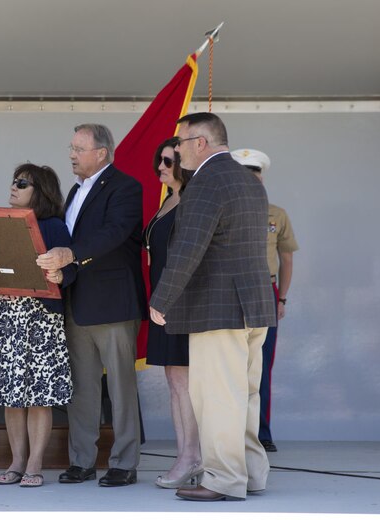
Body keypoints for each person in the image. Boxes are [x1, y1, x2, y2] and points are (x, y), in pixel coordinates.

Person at [149, 112, 276, 501]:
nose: (177, 150)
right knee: (246, 397)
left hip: (218, 309)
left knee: (219, 398)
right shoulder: (248, 180)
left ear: (200, 143)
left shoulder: (206, 182)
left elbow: (188, 249)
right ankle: (251, 475)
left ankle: (221, 479)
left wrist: (161, 299)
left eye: (181, 143)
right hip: (253, 306)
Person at [36, 124, 147, 487]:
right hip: (76, 302)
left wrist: (71, 254)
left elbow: (113, 233)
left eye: (78, 148)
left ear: (101, 153)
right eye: (70, 147)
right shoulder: (74, 191)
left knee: (120, 387)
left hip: (113, 304)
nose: (71, 154)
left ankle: (124, 462)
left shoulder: (126, 187)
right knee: (81, 387)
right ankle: (82, 461)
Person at [0, 164, 75, 488]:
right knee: (11, 395)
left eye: (22, 183)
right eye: (14, 181)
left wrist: (61, 274)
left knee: (39, 395)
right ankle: (16, 462)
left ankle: (35, 465)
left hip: (41, 319)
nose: (14, 186)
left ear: (40, 191)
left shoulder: (54, 226)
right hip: (5, 317)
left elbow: (73, 269)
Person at [143, 137, 201, 489]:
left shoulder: (192, 201)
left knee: (186, 385)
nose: (161, 168)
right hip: (162, 303)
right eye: (159, 162)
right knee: (176, 383)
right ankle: (187, 455)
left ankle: (191, 457)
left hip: (182, 303)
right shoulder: (169, 200)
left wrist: (166, 299)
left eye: (168, 162)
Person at [232, 148, 299, 453]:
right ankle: (230, 431)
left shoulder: (276, 215)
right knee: (228, 364)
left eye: (255, 175)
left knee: (261, 364)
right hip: (229, 293)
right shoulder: (223, 211)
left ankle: (261, 432)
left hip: (265, 290)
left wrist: (281, 298)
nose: (251, 180)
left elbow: (286, 258)